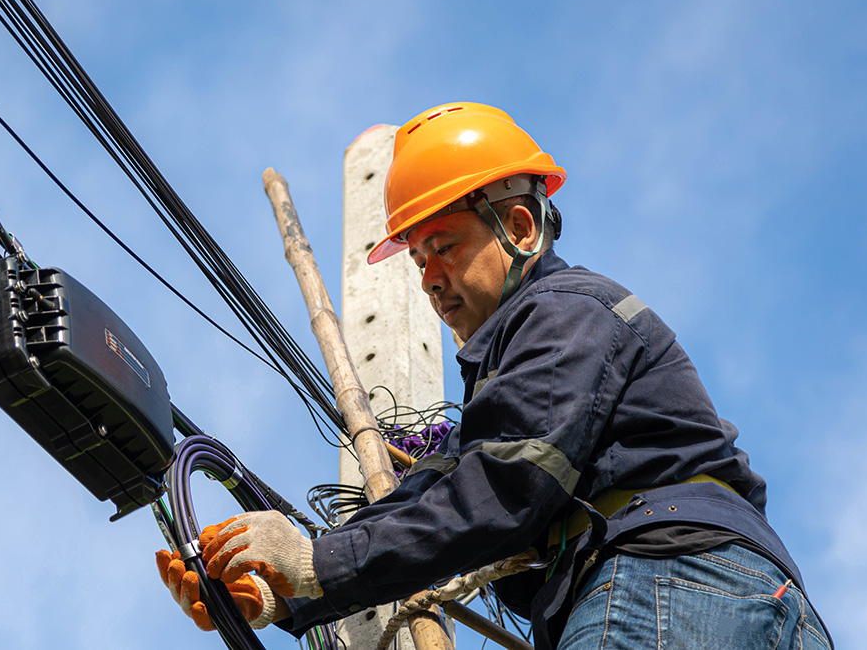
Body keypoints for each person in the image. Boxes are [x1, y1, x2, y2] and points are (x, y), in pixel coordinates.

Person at [156, 102, 831, 649]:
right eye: (417, 260)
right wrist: (280, 592)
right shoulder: (523, 378)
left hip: (668, 580)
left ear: (519, 226)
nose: (429, 279)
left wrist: (314, 563)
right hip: (729, 594)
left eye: (444, 247)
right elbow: (437, 491)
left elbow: (499, 488)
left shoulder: (566, 311)